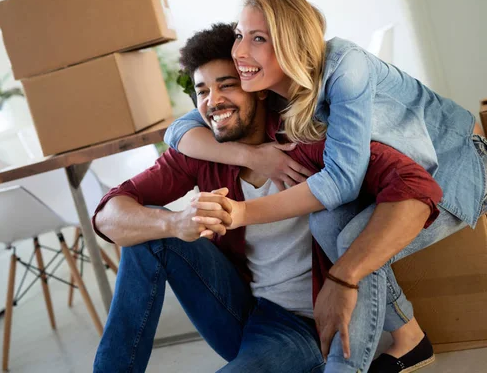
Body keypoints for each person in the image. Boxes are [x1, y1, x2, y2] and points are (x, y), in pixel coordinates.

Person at [164, 0, 487, 373]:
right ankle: (410, 340)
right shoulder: (275, 86)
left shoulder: (344, 68)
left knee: (353, 245)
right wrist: (248, 154)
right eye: (239, 34)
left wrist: (242, 212)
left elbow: (342, 182)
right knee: (325, 223)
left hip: (453, 165)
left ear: (290, 42)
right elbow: (180, 128)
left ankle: (344, 368)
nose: (240, 51)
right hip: (388, 181)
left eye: (259, 38)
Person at [92, 23, 442, 373]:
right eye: (202, 91)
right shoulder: (204, 151)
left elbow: (414, 183)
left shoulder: (311, 136)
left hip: (306, 326)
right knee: (148, 234)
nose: (213, 101)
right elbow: (109, 214)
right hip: (241, 308)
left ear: (256, 87)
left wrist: (346, 277)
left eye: (226, 85)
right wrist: (175, 221)